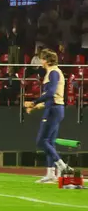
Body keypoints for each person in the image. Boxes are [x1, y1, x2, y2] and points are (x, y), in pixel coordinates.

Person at [25, 49, 73, 183]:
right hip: (55, 108)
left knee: (41, 141)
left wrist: (34, 102)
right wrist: (35, 106)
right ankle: (51, 173)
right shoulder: (53, 72)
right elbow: (50, 97)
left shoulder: (53, 72)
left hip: (54, 109)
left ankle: (62, 166)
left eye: (41, 58)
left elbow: (51, 93)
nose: (40, 61)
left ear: (46, 60)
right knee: (50, 142)